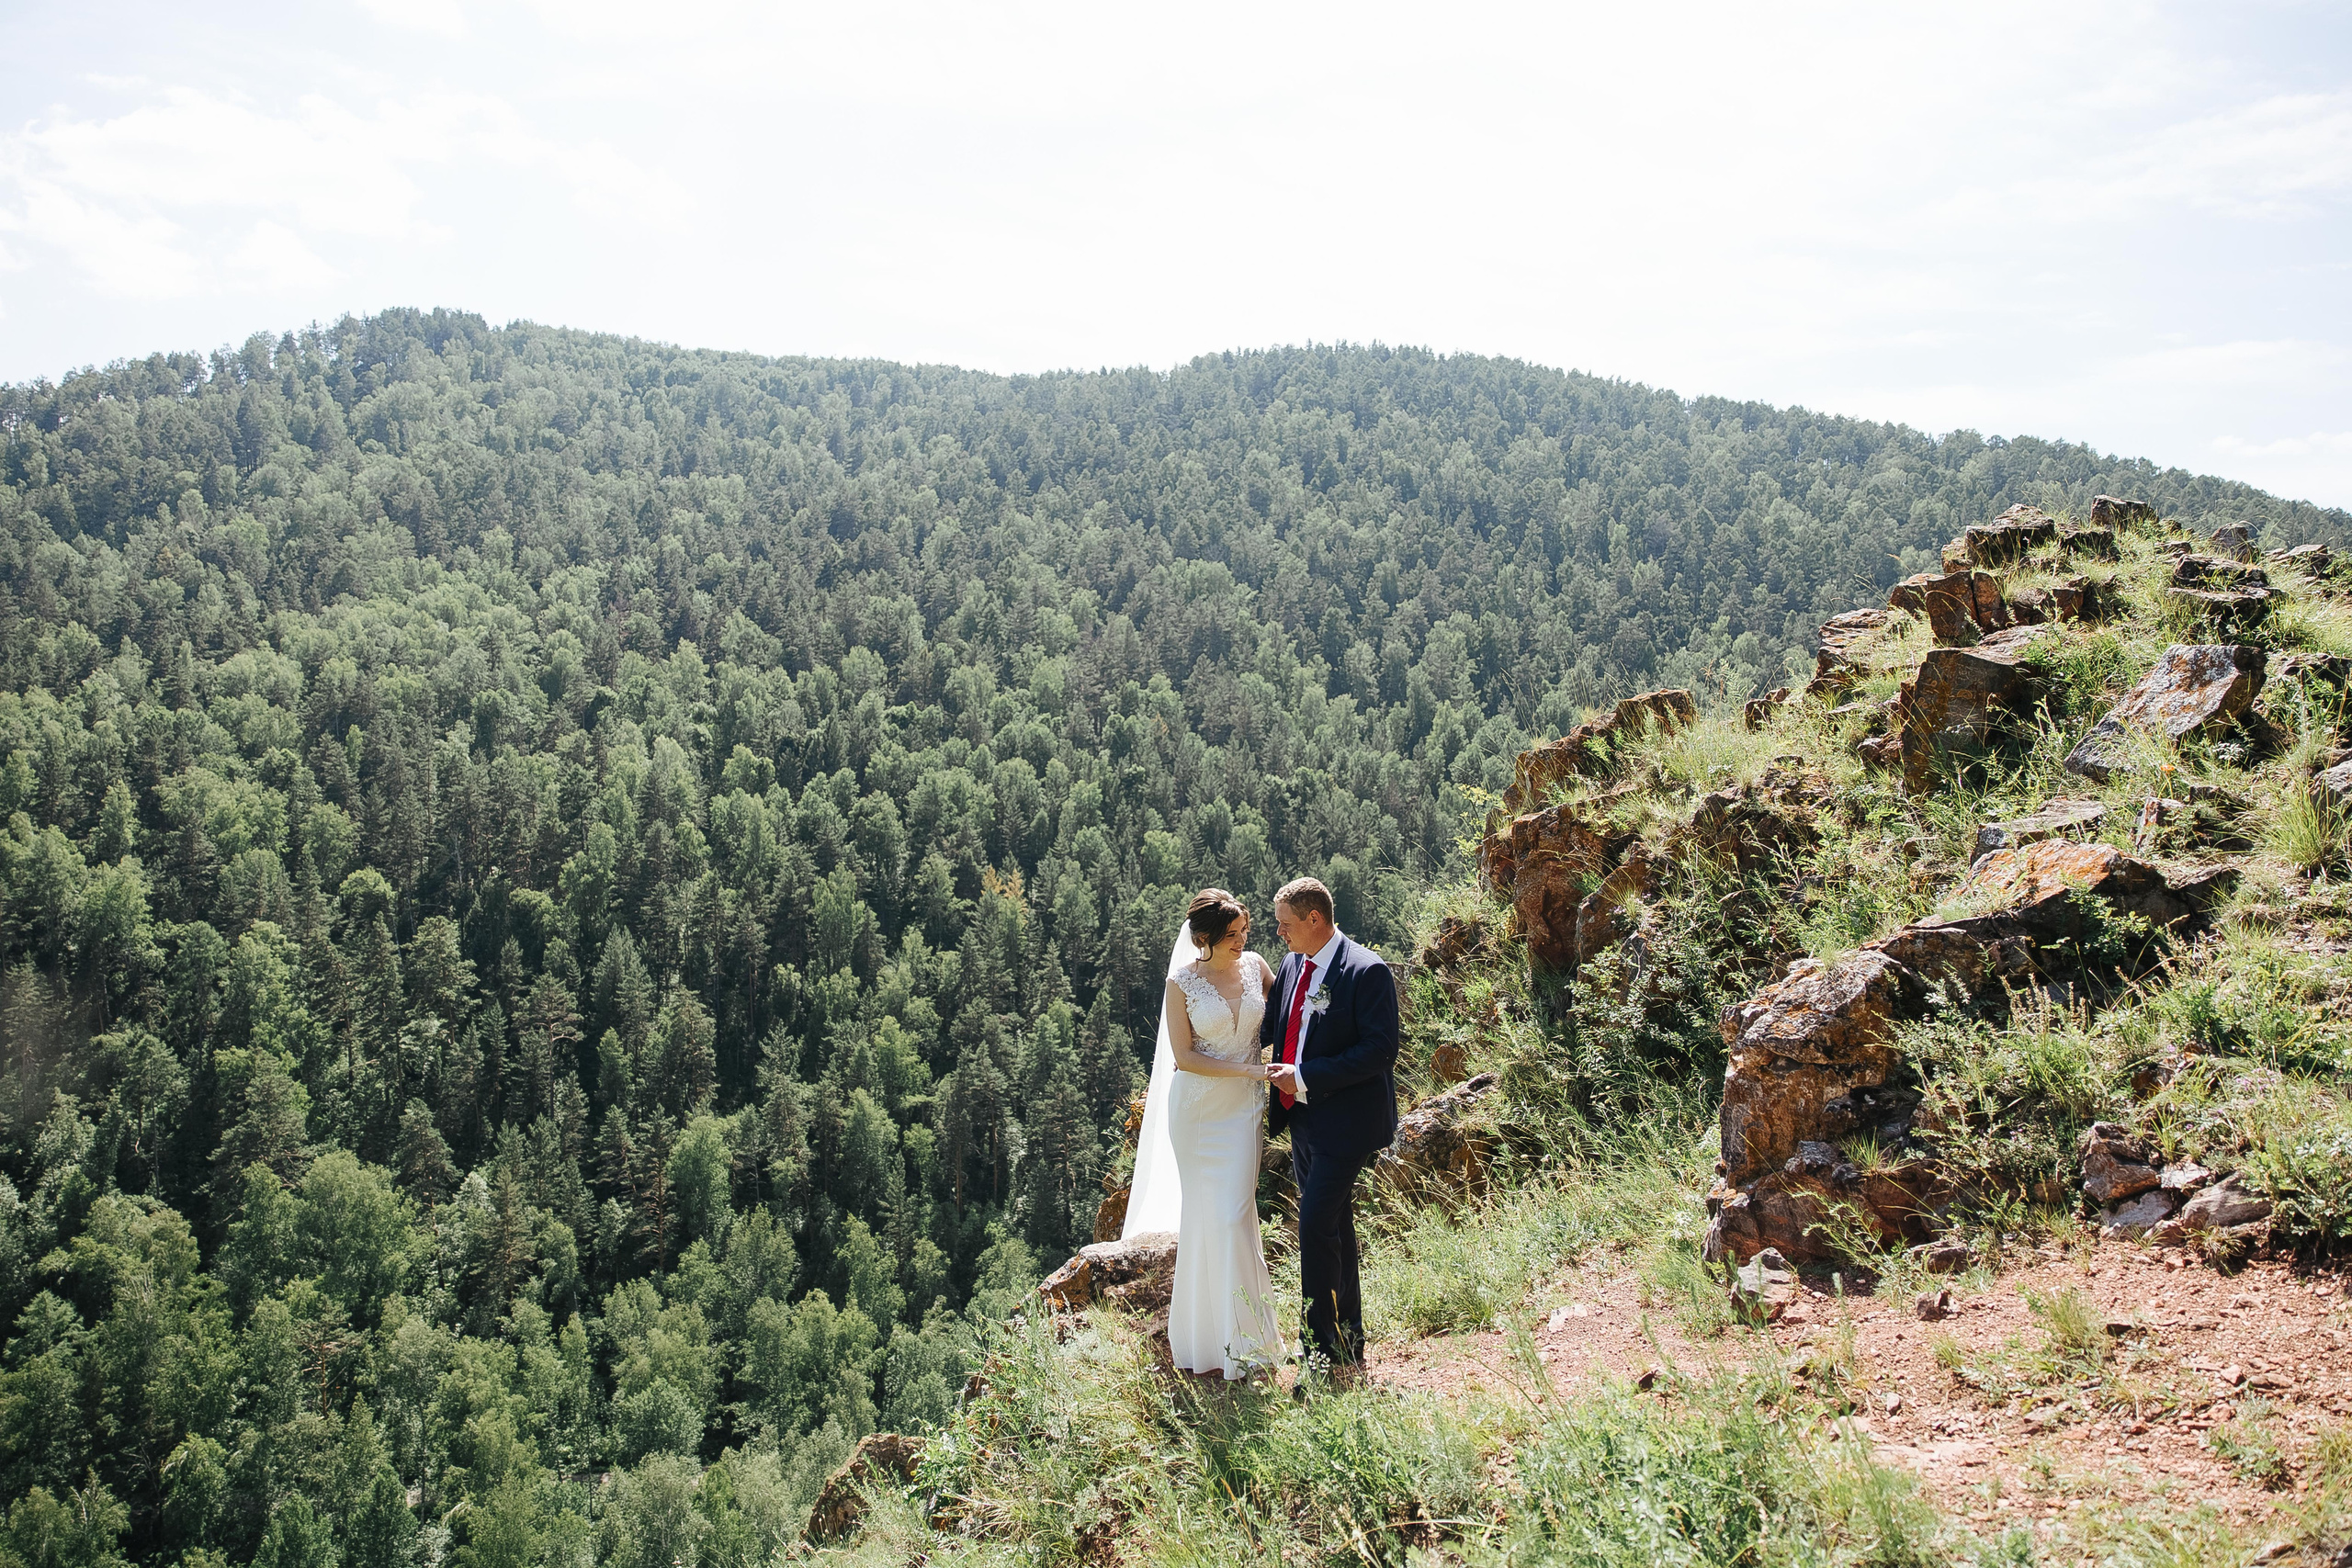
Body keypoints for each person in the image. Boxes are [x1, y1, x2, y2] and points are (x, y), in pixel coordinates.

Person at [1122, 888, 1287, 1380]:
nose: (1241, 942)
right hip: (1198, 1114)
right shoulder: (1182, 984)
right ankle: (1209, 1341)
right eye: (1231, 935)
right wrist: (1254, 1074)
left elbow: (1284, 1017)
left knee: (1236, 1214)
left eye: (1243, 933)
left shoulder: (1257, 966)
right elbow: (1185, 1058)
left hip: (1242, 1113)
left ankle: (1252, 1340)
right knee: (1206, 1218)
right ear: (1203, 939)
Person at [1261, 876, 1397, 1375]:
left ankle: (1318, 1353)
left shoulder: (1367, 971)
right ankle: (1349, 1341)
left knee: (1316, 1225)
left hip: (1348, 1123)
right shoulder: (1293, 963)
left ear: (1314, 919)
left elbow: (1379, 1051)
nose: (1280, 934)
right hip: (1302, 1119)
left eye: (1285, 925)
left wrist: (1303, 1075)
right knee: (1335, 1227)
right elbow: (1277, 1024)